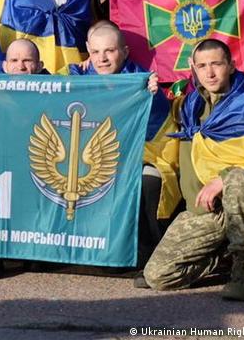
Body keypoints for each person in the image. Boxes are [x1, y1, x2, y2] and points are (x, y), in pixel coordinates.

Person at [142, 40, 244, 301]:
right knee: (158, 276)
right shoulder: (190, 104)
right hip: (201, 210)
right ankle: (222, 258)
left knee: (238, 179)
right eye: (202, 66)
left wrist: (222, 179)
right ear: (193, 68)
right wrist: (151, 93)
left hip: (237, 203)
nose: (210, 73)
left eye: (216, 64)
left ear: (231, 65)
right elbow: (160, 122)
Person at [66, 23, 170, 266]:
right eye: (96, 52)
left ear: (124, 51)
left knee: (149, 180)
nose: (102, 59)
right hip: (88, 158)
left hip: (137, 156)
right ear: (88, 52)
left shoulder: (144, 82)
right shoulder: (77, 77)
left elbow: (157, 131)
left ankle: (146, 253)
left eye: (109, 51)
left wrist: (153, 97)